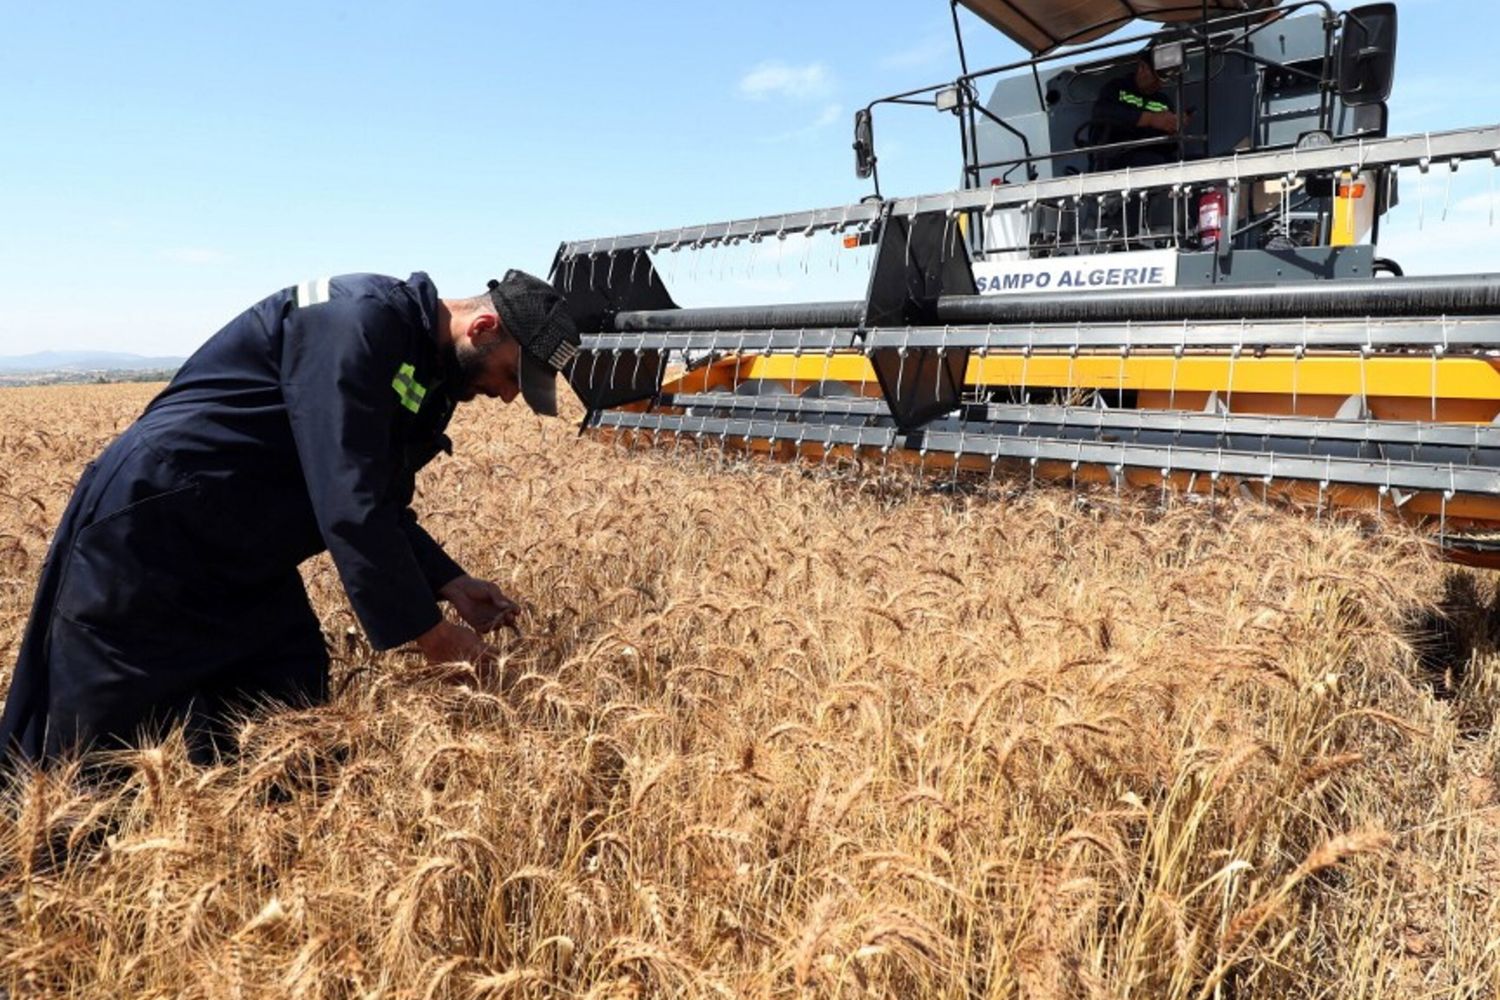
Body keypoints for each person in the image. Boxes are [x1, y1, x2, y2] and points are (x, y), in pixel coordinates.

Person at [0, 269, 580, 765]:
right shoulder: (358, 323)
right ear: (482, 328)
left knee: (285, 699)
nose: (508, 397)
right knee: (91, 736)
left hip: (243, 543)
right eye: (511, 377)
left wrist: (447, 580)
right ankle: (41, 869)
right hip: (155, 527)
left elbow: (376, 498)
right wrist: (428, 632)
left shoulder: (430, 370)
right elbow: (347, 492)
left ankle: (254, 862)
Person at [1088, 43, 1190, 170]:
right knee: (1154, 162)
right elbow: (1103, 113)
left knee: (1196, 162)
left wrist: (1174, 129)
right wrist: (1149, 119)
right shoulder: (1117, 88)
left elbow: (1171, 146)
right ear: (1142, 67)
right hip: (1116, 156)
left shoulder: (1163, 101)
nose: (1160, 85)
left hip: (1155, 155)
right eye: (1157, 78)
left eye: (1163, 81)